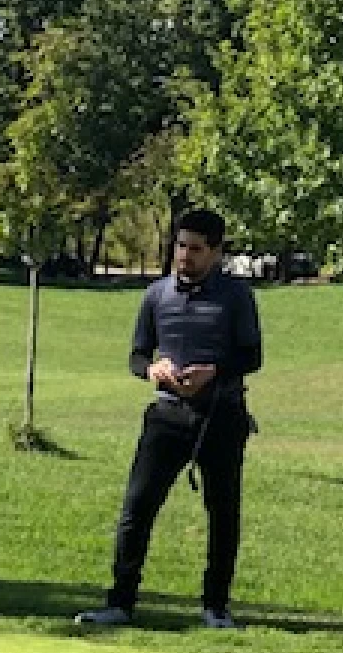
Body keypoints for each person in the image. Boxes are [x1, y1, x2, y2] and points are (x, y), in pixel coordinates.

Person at [76, 209, 263, 630]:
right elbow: (136, 355)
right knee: (136, 508)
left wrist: (213, 372)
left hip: (221, 415)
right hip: (167, 415)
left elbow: (252, 356)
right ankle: (120, 602)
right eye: (181, 246)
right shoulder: (157, 295)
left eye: (196, 249)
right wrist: (152, 370)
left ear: (216, 252)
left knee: (223, 513)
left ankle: (216, 606)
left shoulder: (236, 296)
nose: (185, 256)